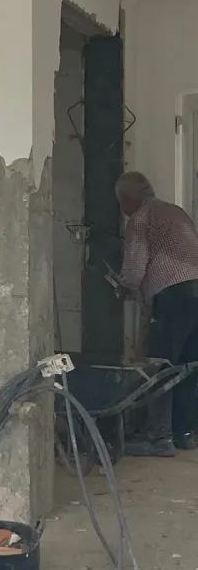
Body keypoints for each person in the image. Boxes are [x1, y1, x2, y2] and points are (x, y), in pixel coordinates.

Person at [116, 171, 198, 456]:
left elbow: (135, 268)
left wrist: (124, 286)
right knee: (187, 367)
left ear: (128, 199)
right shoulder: (175, 212)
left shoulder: (141, 219)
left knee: (161, 366)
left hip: (173, 296)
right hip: (196, 291)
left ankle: (159, 438)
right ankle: (185, 433)